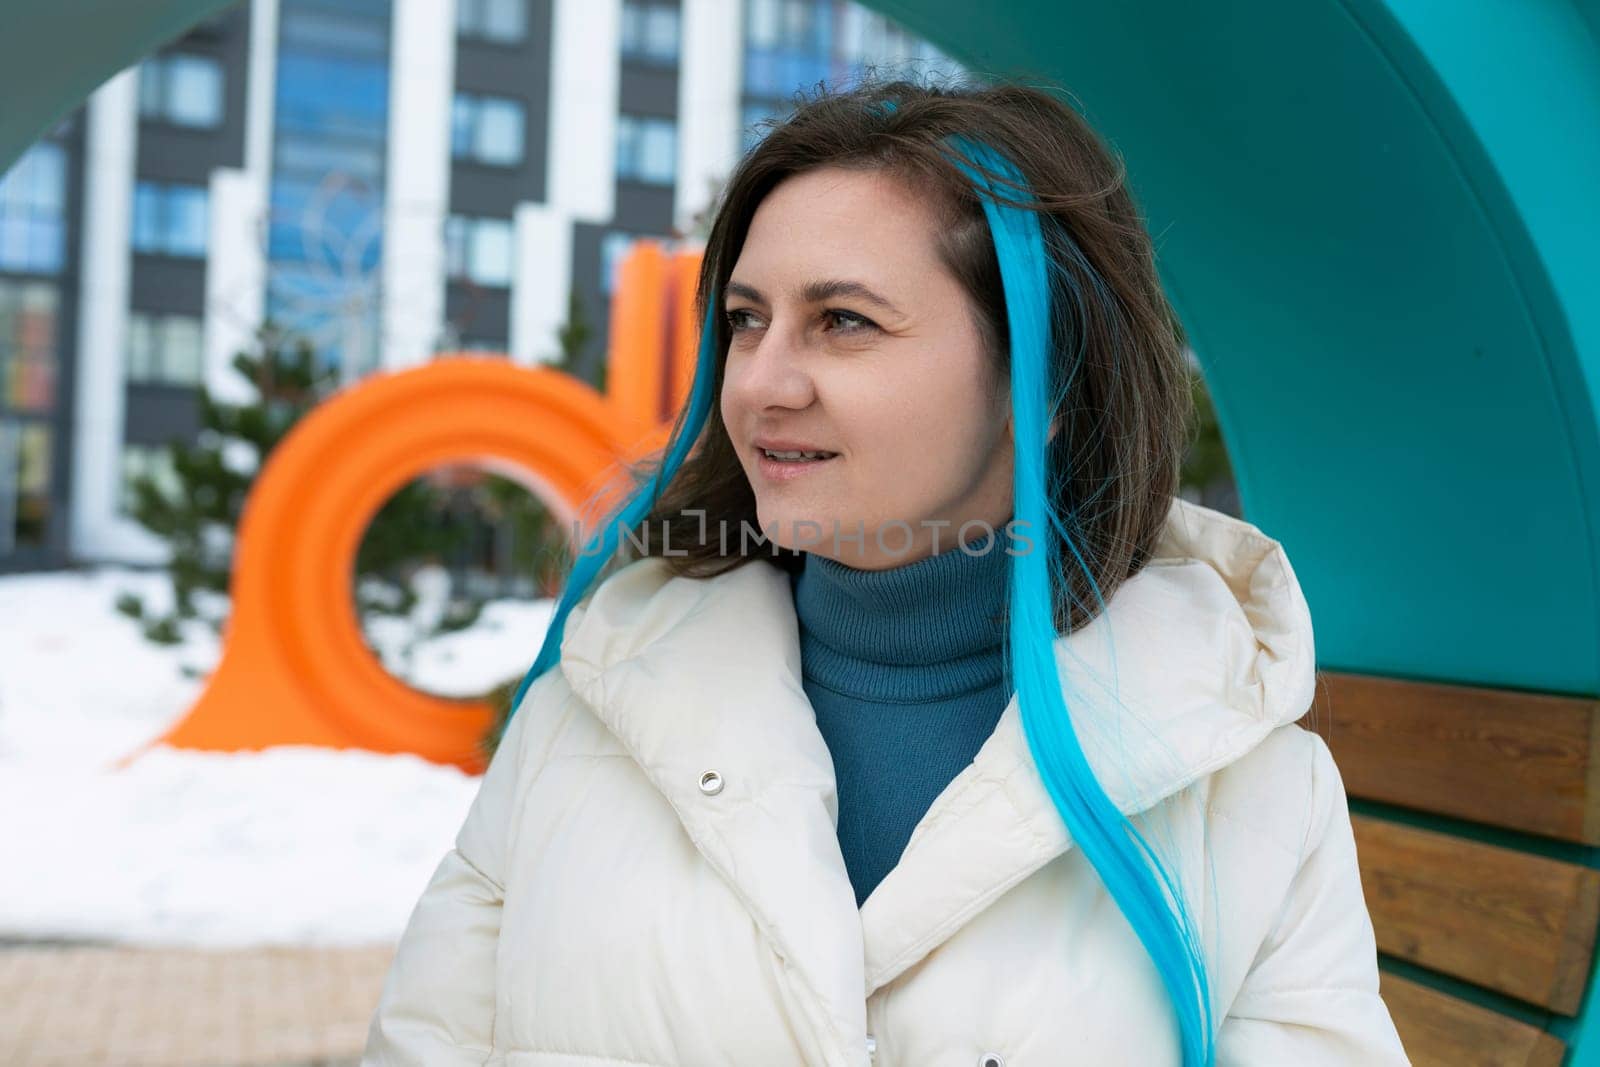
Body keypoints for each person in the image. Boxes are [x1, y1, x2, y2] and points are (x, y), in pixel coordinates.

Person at [361, 77, 1409, 1067]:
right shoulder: (580, 717)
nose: (762, 381)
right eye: (744, 319)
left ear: (1042, 381)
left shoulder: (1247, 791)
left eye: (844, 321)